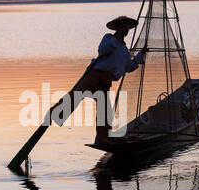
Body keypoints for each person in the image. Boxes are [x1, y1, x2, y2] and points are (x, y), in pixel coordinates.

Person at [51, 16, 146, 144]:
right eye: (122, 27)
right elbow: (103, 50)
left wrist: (140, 56)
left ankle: (102, 138)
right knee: (77, 95)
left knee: (105, 111)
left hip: (105, 82)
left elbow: (128, 67)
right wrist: (116, 37)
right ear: (117, 28)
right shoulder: (109, 38)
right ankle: (55, 114)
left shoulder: (124, 49)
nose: (125, 29)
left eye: (127, 27)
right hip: (94, 75)